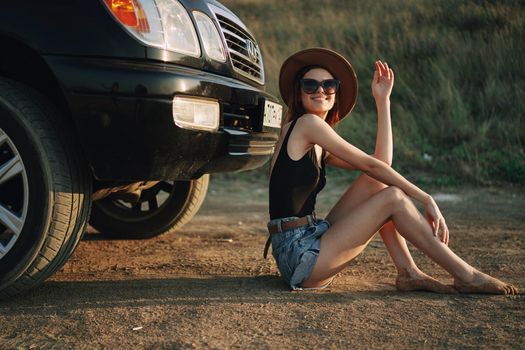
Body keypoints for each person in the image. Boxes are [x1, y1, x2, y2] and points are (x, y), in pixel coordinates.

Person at [266, 47, 518, 294]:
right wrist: (425, 197)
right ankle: (466, 276)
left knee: (377, 184)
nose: (320, 91)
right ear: (298, 94)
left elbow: (380, 165)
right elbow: (372, 164)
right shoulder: (307, 124)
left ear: (336, 92)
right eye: (310, 85)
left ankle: (408, 272)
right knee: (393, 198)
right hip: (299, 256)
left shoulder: (315, 136)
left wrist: (382, 101)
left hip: (308, 238)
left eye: (328, 85)